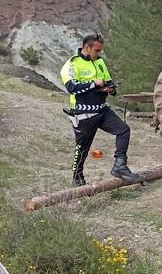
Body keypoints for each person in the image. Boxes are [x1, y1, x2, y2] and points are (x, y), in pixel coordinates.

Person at [60, 34, 139, 186]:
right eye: (97, 50)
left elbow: (108, 82)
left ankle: (119, 166)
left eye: (100, 51)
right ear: (87, 48)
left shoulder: (100, 62)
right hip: (83, 114)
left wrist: (111, 89)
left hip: (102, 110)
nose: (99, 54)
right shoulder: (72, 64)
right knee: (82, 148)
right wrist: (93, 84)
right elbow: (71, 88)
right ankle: (77, 179)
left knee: (123, 130)